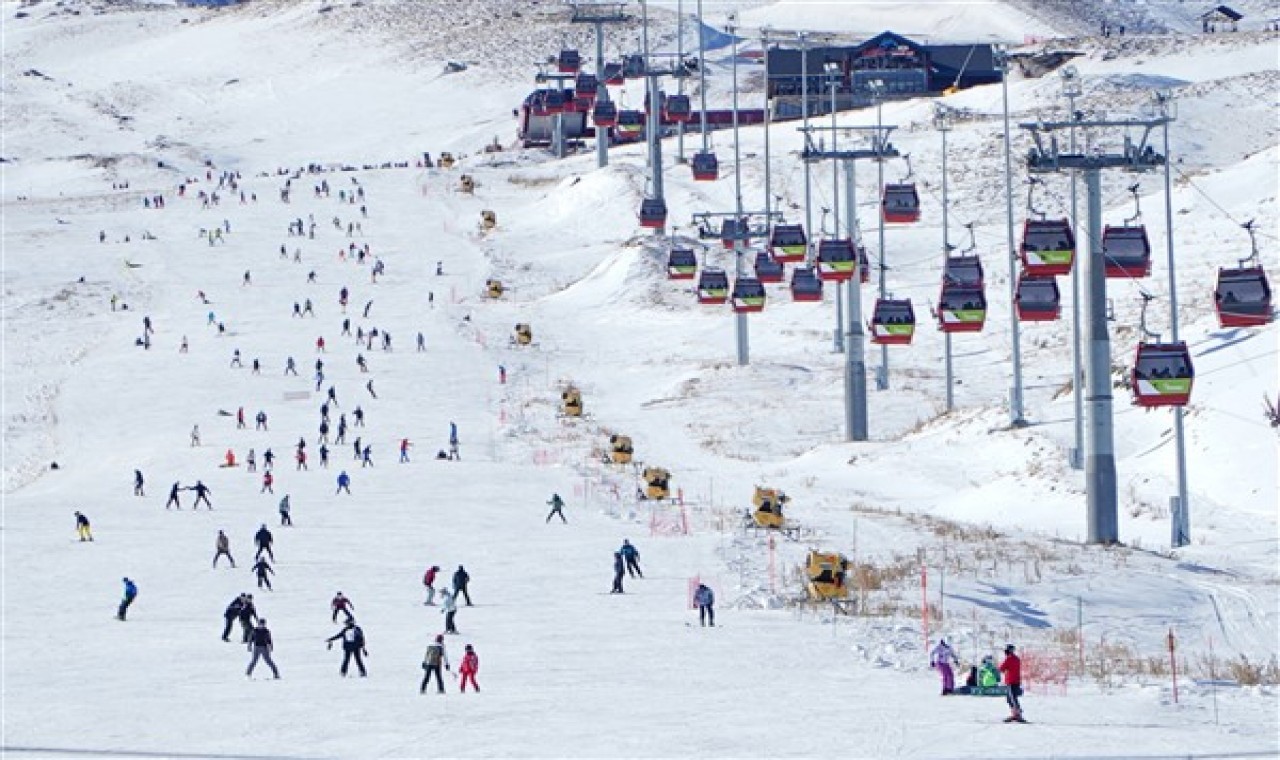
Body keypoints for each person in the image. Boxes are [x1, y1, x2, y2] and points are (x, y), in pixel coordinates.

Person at [999, 644, 1026, 722]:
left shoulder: (1009, 658)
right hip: (1016, 681)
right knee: (1011, 698)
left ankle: (1017, 714)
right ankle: (1015, 713)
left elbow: (1001, 668)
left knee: (1011, 698)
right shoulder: (1016, 658)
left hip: (1011, 681)